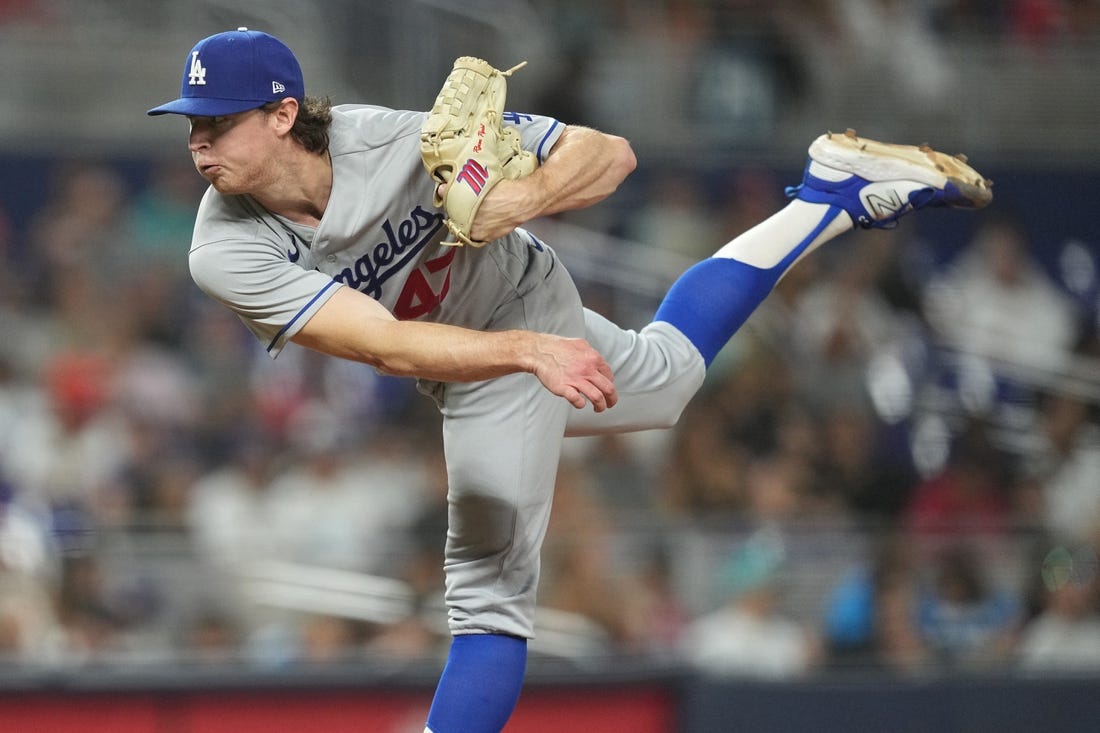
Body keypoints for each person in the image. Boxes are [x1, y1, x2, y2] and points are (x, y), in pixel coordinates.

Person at [147, 28, 991, 733]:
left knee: (487, 594)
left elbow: (609, 153)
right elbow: (385, 345)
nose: (198, 141)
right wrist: (527, 351)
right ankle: (831, 195)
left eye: (216, 122)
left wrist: (524, 199)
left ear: (284, 113)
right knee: (664, 380)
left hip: (518, 305)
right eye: (191, 124)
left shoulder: (392, 138)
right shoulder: (224, 247)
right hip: (480, 349)